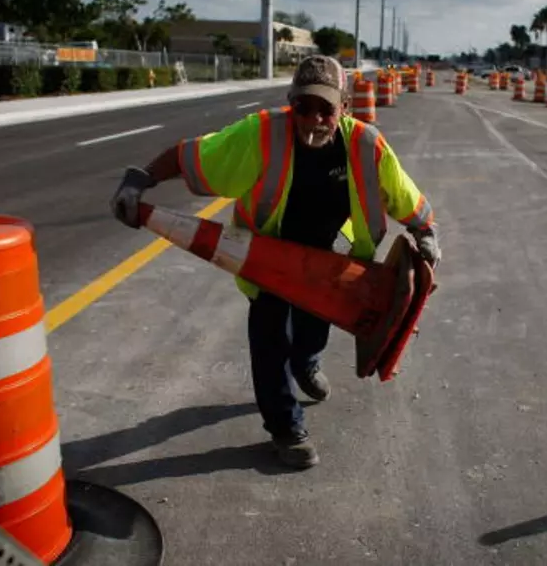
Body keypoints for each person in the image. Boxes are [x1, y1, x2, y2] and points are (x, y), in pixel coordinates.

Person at [109, 55, 440, 469]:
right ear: (290, 103)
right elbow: (192, 156)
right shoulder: (262, 135)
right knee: (269, 341)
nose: (314, 119)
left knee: (312, 328)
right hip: (264, 256)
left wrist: (425, 230)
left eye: (326, 109)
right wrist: (140, 178)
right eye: (304, 107)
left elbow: (401, 193)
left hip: (327, 260)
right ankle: (286, 428)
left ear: (345, 108)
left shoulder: (366, 146)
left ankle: (307, 361)